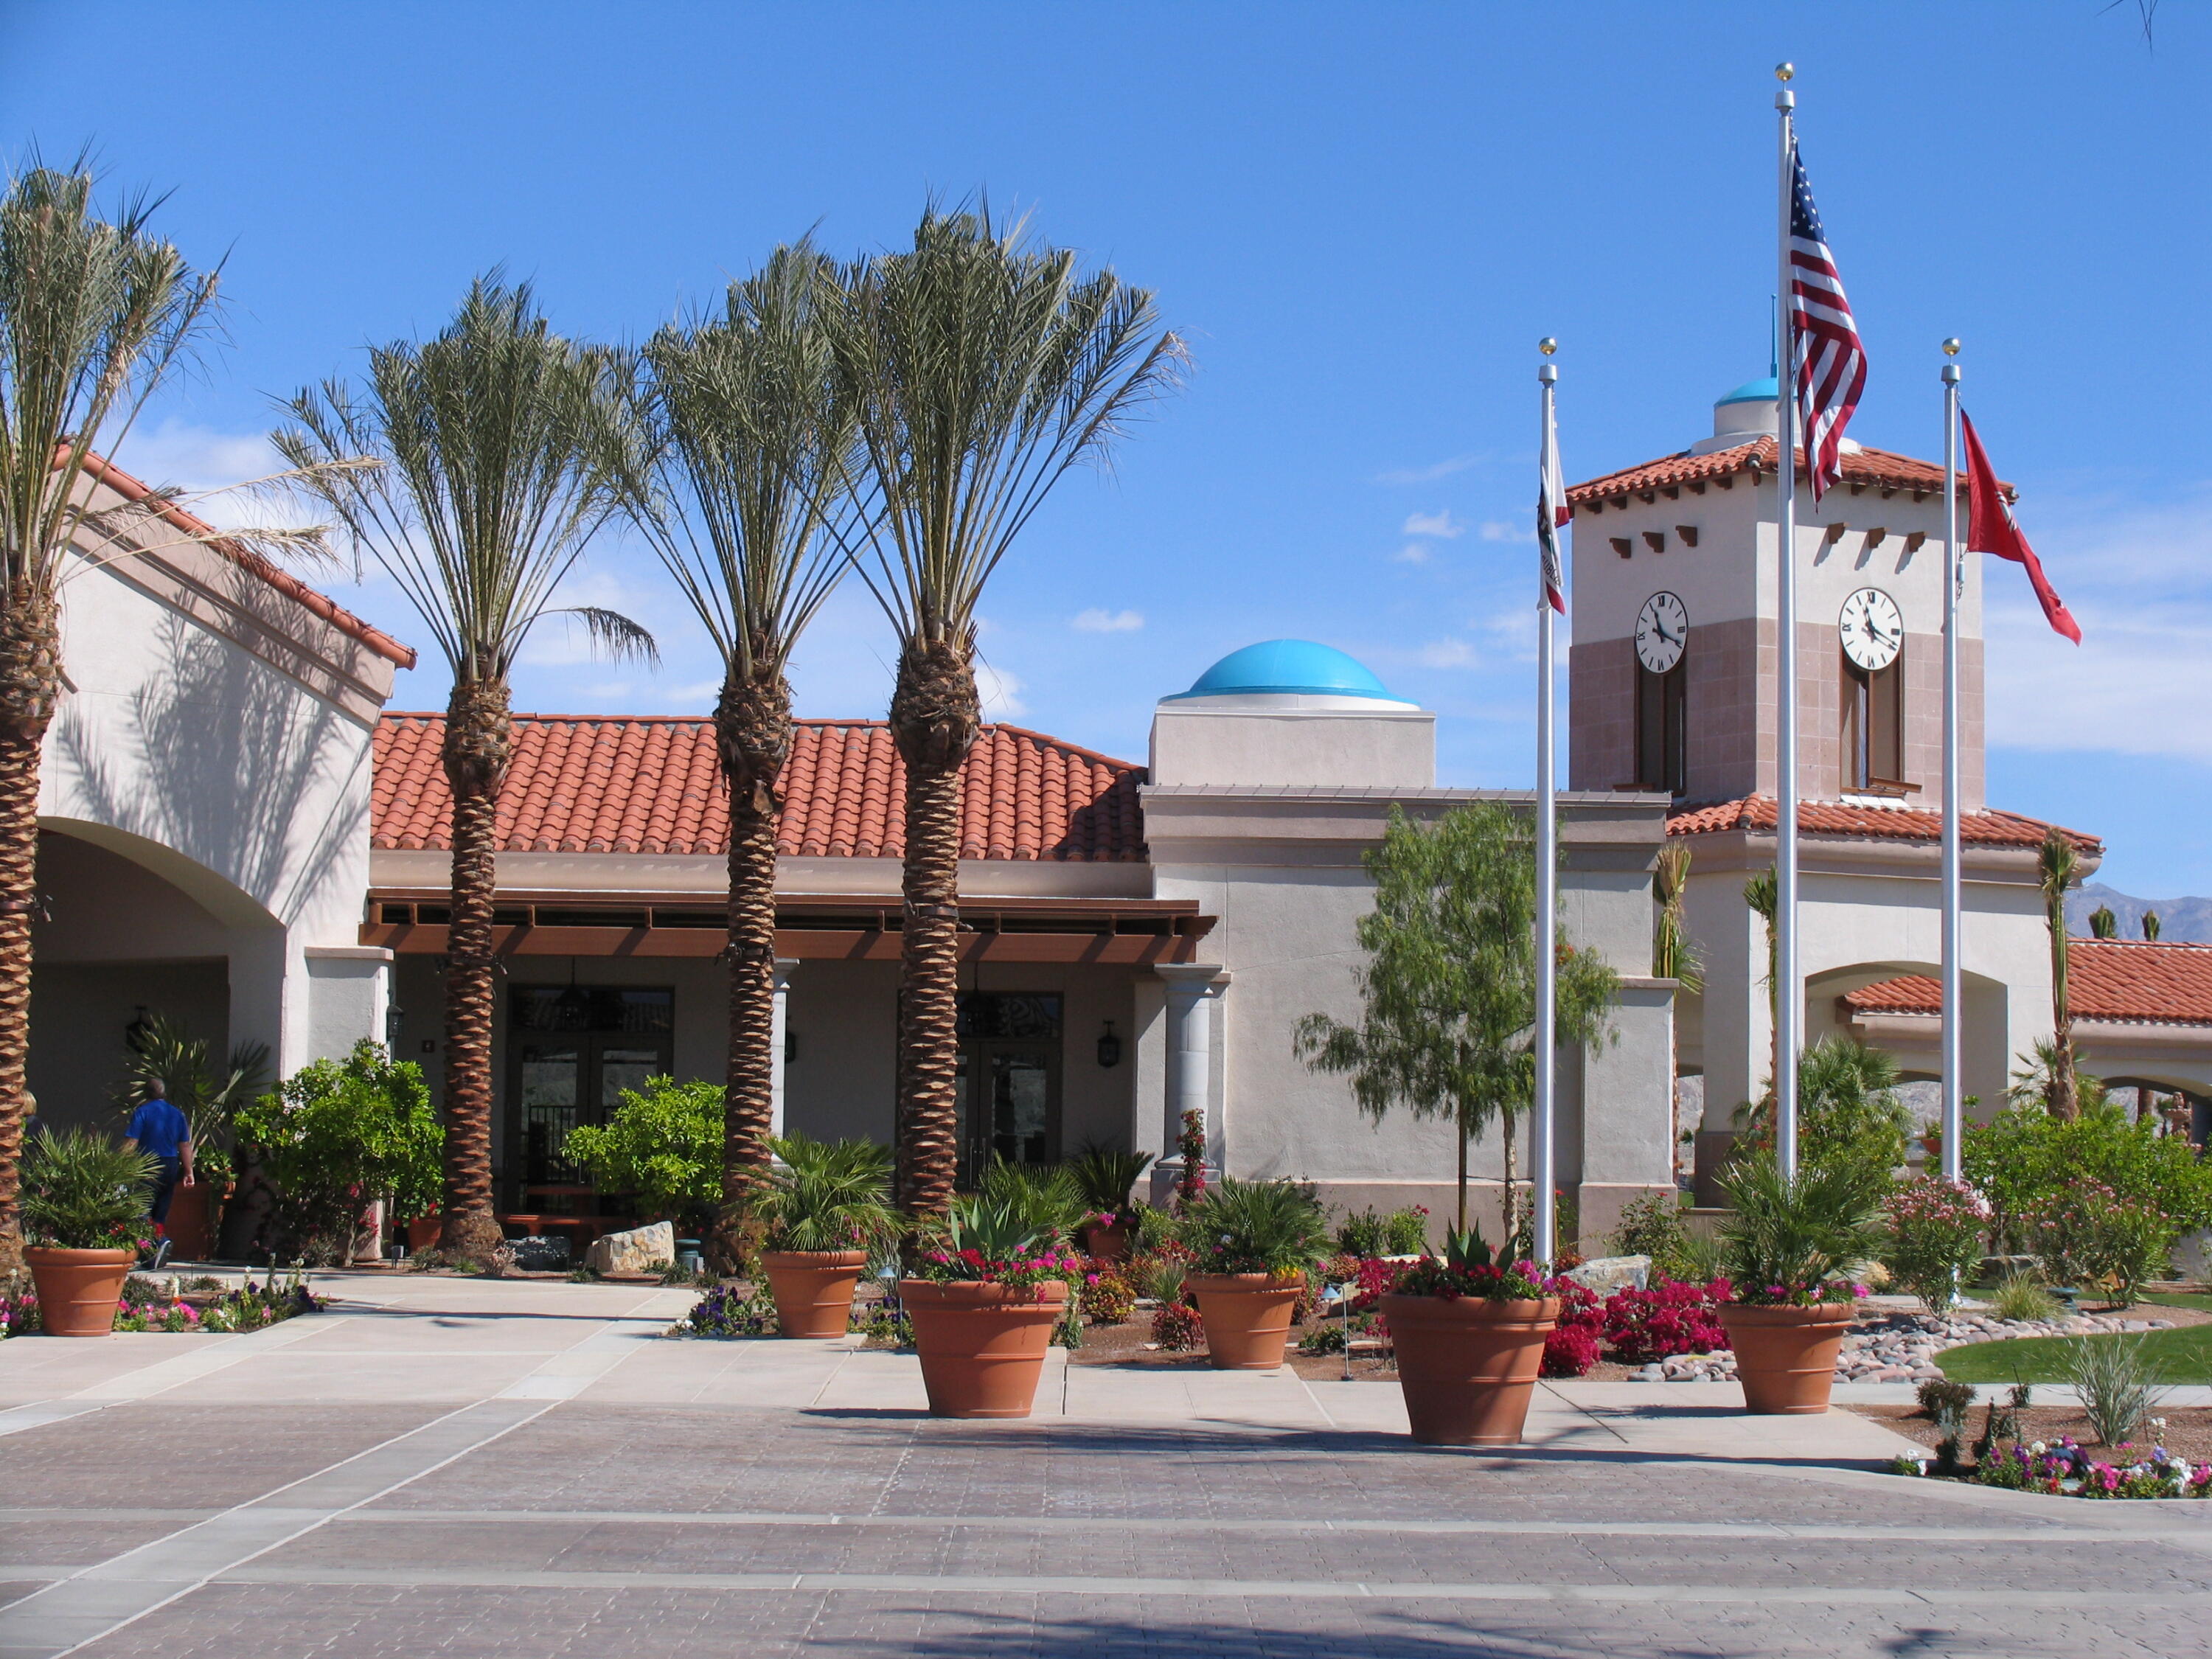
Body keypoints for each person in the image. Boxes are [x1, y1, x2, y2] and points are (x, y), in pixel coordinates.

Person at [123, 1078, 193, 1268]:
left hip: (148, 1163)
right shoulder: (177, 1114)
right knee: (160, 1212)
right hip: (170, 1163)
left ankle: (160, 1241)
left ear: (145, 1094)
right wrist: (189, 1171)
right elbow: (184, 1144)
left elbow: (132, 1142)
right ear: (164, 1093)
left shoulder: (142, 1112)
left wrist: (119, 1164)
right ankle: (152, 1256)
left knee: (140, 1209)